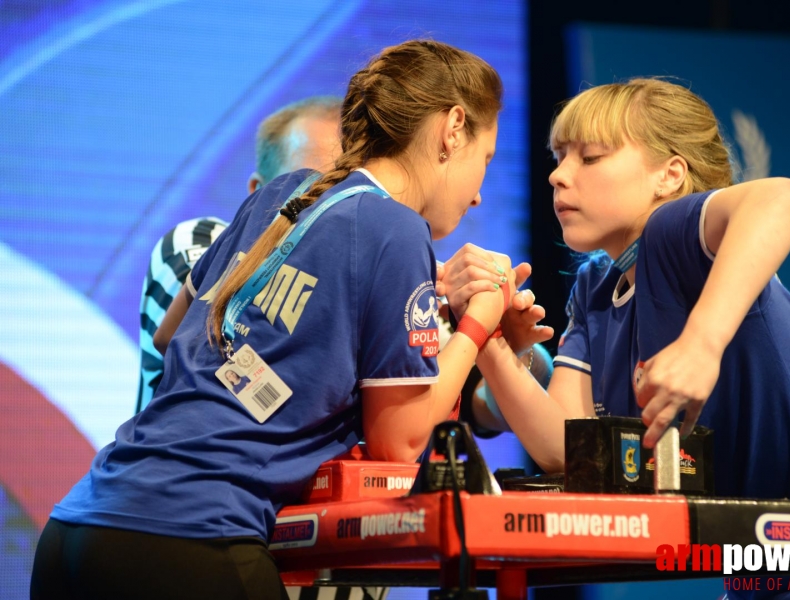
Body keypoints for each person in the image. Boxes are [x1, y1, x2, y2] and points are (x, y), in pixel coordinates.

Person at [31, 40, 510, 600]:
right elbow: (400, 444)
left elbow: (170, 336)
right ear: (453, 128)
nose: (479, 194)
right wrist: (479, 322)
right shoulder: (397, 229)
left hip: (76, 531)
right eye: (487, 159)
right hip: (191, 543)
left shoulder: (283, 192)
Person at [443, 77, 790, 597]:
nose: (558, 176)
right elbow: (565, 451)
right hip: (766, 574)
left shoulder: (672, 235)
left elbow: (782, 196)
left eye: (589, 157)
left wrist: (702, 343)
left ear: (670, 175)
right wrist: (491, 338)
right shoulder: (596, 287)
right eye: (558, 157)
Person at [136, 97, 342, 413]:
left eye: (346, 189)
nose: (330, 205)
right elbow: (218, 362)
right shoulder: (199, 241)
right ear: (258, 192)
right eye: (312, 189)